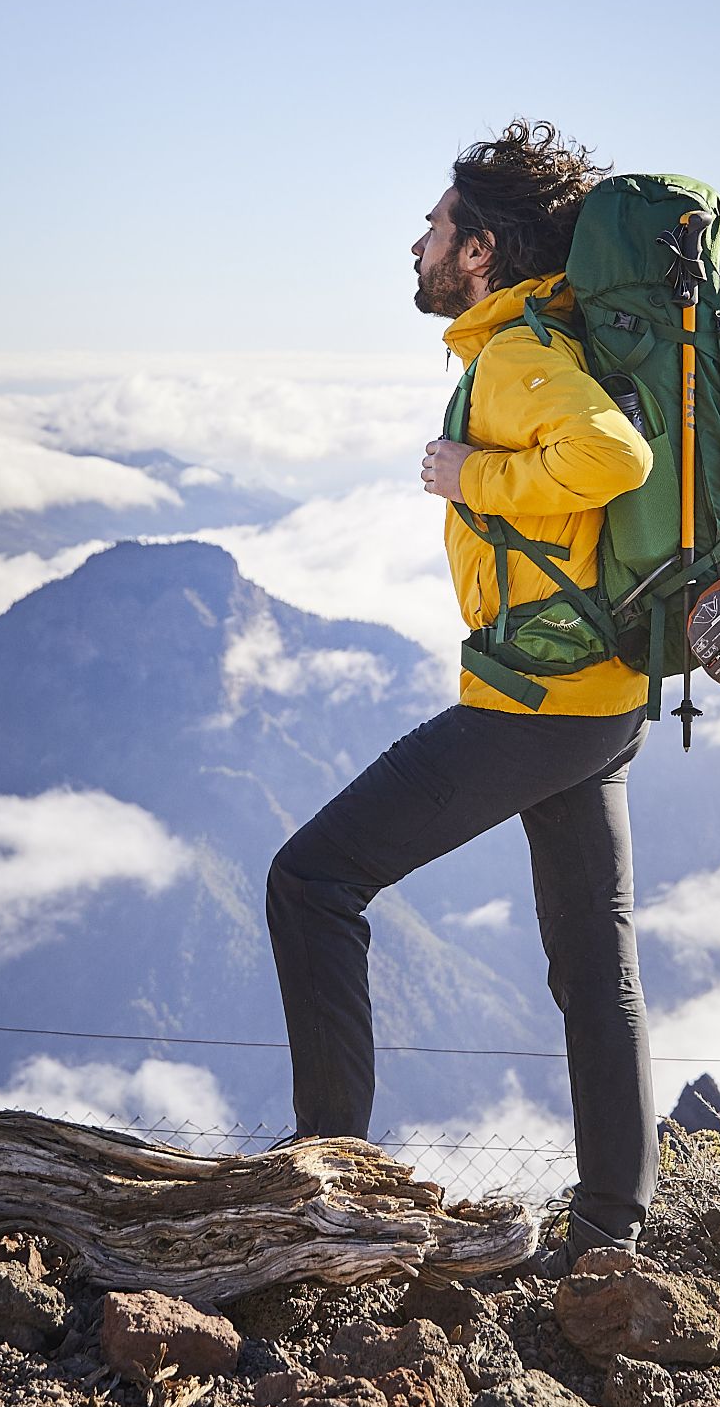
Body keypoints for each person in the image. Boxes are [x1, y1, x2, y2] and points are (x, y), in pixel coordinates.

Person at [266, 119, 657, 1275]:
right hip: (605, 698)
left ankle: (325, 1184)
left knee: (313, 880)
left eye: (437, 229)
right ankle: (609, 1233)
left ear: (480, 251)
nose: (419, 245)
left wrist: (471, 473)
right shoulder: (545, 337)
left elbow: (615, 458)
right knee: (597, 966)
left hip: (533, 709)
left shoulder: (519, 359)